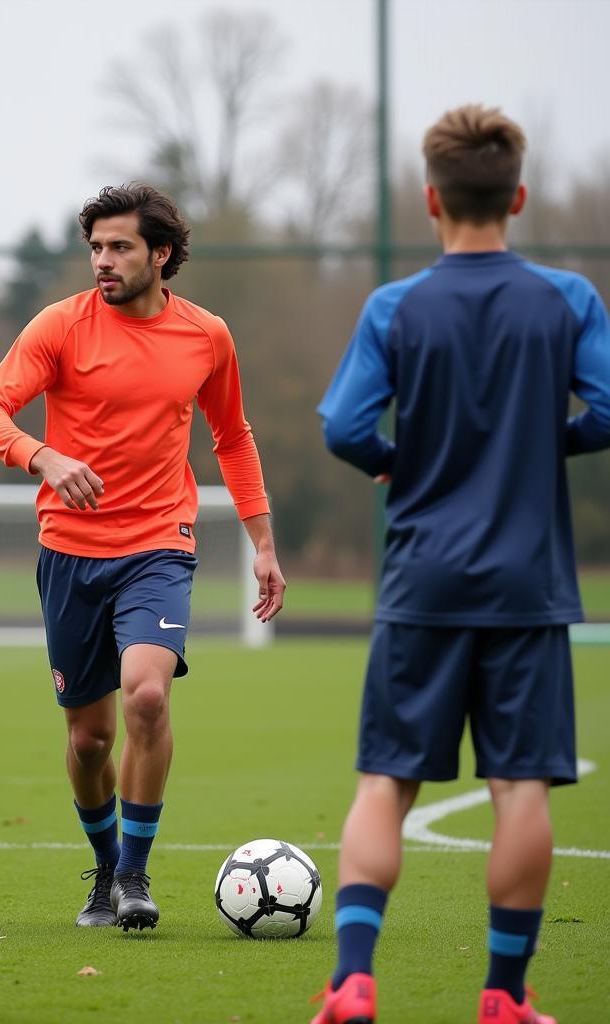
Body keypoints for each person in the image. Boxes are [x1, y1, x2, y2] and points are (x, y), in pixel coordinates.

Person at [313, 105, 610, 1024]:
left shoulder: (395, 306)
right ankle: (504, 997)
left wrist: (401, 461)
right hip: (528, 586)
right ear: (516, 195)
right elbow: (605, 411)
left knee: (384, 783)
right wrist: (539, 444)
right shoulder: (567, 299)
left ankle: (354, 984)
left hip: (422, 583)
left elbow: (344, 427)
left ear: (432, 199)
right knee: (520, 785)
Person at [0, 183, 285, 932]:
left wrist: (263, 544)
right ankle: (106, 866)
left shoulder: (208, 336)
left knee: (146, 696)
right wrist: (41, 456)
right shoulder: (59, 326)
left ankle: (136, 876)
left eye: (119, 248)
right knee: (89, 739)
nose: (102, 262)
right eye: (96, 248)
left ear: (161, 254)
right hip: (70, 554)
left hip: (158, 546)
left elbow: (232, 438)